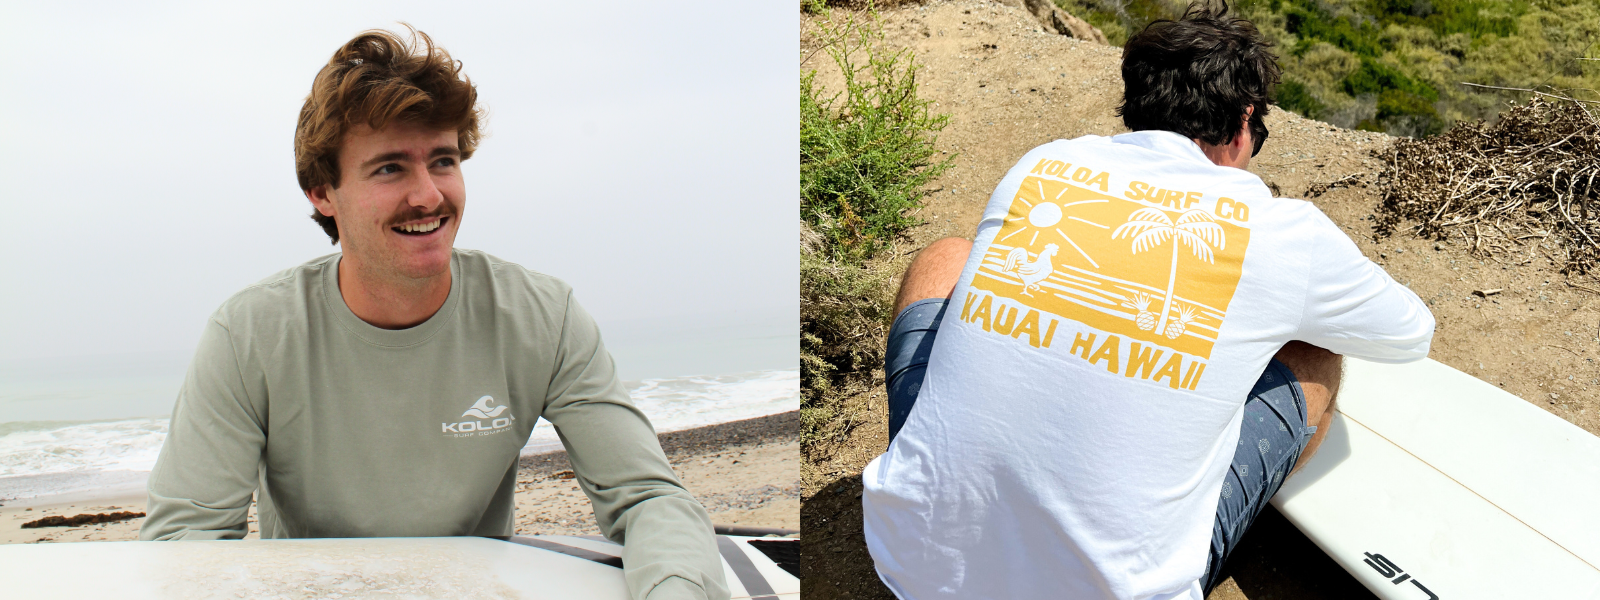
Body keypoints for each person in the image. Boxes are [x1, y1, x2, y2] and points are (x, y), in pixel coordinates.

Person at [859, 3, 1435, 598]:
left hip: (915, 560)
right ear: (1243, 122)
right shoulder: (1284, 231)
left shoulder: (1046, 162)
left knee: (947, 256)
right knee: (1315, 350)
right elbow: (1411, 333)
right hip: (1116, 589)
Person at [139, 27, 729, 600]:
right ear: (322, 192)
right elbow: (185, 542)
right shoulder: (249, 335)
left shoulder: (541, 315)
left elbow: (649, 498)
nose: (428, 195)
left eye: (443, 161)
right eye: (390, 167)